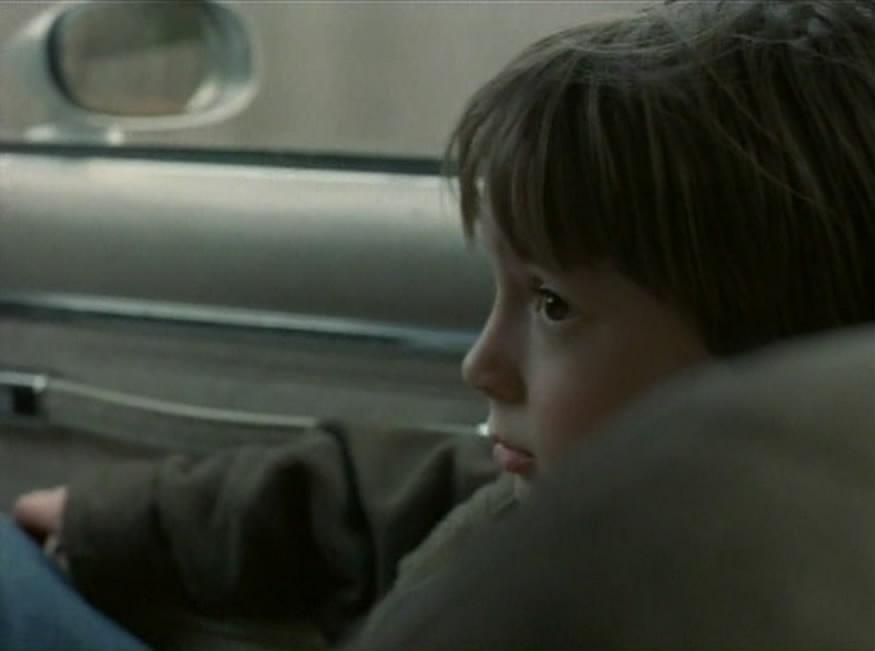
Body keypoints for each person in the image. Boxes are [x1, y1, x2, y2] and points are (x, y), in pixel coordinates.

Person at [8, 0, 874, 648]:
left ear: (785, 370)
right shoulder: (564, 505)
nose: (480, 363)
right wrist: (120, 519)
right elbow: (385, 495)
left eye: (552, 304)